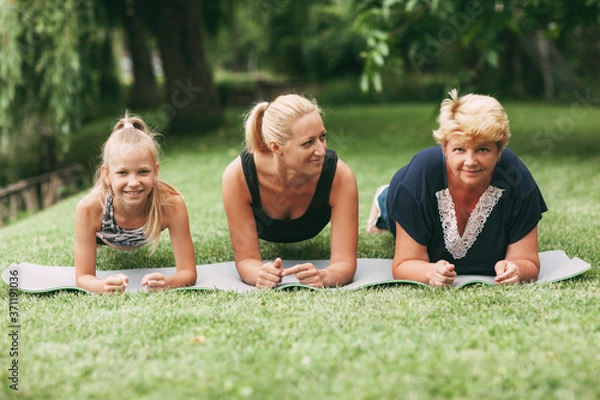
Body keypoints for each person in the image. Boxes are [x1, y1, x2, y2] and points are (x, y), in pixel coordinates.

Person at [367, 89, 547, 287]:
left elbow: (528, 261)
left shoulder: (518, 180)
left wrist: (517, 269)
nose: (470, 161)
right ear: (444, 148)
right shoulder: (417, 182)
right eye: (459, 149)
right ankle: (383, 197)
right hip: (404, 201)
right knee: (390, 207)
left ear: (499, 151)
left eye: (483, 149)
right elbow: (404, 263)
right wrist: (429, 271)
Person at [222, 94, 358, 289]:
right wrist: (259, 273)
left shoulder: (340, 177)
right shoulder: (238, 177)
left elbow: (344, 263)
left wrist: (326, 276)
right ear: (276, 147)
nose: (321, 150)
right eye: (308, 143)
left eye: (322, 137)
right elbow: (246, 260)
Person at [74, 114, 197, 294]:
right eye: (123, 173)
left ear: (156, 172)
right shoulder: (89, 209)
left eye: (143, 172)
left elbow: (188, 272)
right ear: (107, 175)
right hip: (104, 236)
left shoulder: (171, 204)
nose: (133, 182)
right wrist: (103, 285)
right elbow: (82, 277)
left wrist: (168, 283)